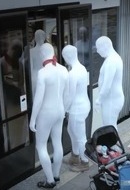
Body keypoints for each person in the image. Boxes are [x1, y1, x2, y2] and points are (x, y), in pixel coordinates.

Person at [29, 43, 69, 188]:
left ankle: (50, 180)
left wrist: (32, 119)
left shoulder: (42, 72)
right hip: (59, 111)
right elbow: (67, 94)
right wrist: (64, 110)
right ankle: (57, 175)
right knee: (57, 142)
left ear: (41, 54)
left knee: (41, 146)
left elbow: (38, 100)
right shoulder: (64, 69)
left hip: (46, 113)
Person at [61, 45, 91, 172]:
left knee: (80, 136)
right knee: (71, 130)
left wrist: (63, 109)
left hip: (77, 108)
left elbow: (70, 95)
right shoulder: (83, 68)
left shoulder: (73, 73)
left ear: (67, 57)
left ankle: (85, 162)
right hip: (84, 104)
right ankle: (75, 155)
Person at [95, 36, 124, 130]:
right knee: (111, 125)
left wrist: (98, 101)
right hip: (113, 99)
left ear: (105, 46)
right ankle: (112, 144)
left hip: (111, 100)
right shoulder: (115, 57)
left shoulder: (111, 61)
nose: (97, 51)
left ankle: (113, 144)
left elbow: (107, 85)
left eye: (98, 48)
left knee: (109, 127)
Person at [30, 29, 46, 97]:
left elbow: (30, 67)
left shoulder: (31, 51)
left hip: (35, 77)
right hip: (43, 76)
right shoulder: (47, 50)